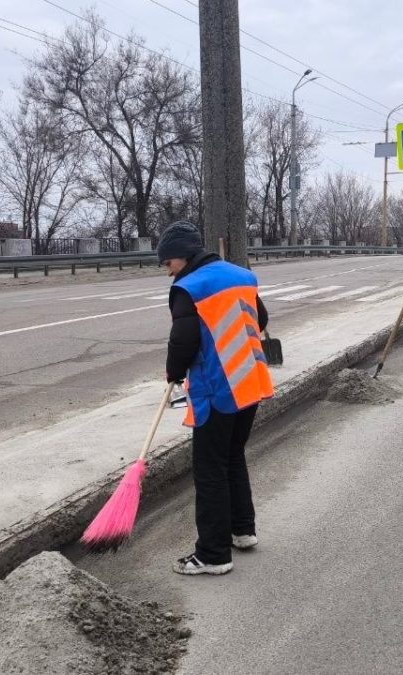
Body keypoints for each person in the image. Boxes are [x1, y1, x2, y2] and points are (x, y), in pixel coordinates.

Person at [159, 221, 275, 576]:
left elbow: (183, 340)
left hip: (217, 388)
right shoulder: (241, 275)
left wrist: (174, 373)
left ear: (180, 256)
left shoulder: (188, 287)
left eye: (167, 263)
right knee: (233, 457)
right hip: (250, 380)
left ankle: (212, 555)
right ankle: (242, 531)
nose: (168, 271)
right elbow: (262, 317)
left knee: (210, 470)